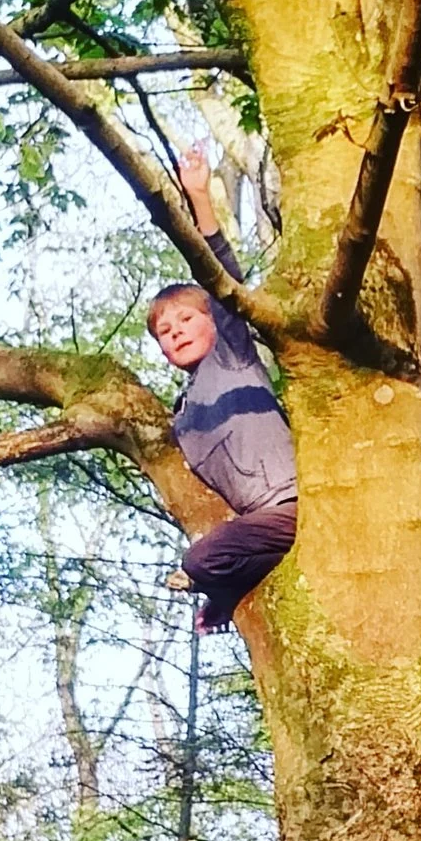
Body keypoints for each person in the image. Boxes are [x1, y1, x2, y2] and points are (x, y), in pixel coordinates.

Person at [148, 147, 298, 633]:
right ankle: (230, 593)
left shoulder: (232, 357)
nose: (176, 332)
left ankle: (225, 593)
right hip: (262, 523)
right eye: (165, 332)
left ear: (213, 322)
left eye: (187, 319)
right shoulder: (184, 416)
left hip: (295, 503)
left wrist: (199, 198)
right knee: (209, 560)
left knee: (199, 562)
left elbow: (224, 280)